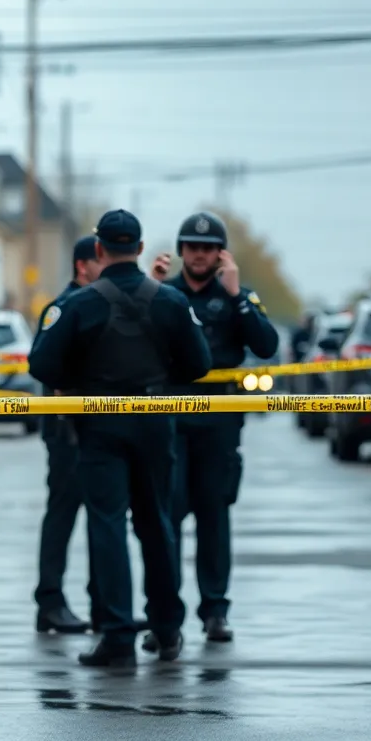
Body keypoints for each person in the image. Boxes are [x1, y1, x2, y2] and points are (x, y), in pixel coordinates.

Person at [28, 210, 212, 667]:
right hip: (155, 421)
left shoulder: (79, 305)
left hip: (100, 424)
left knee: (106, 524)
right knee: (157, 524)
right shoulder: (169, 301)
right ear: (141, 248)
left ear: (98, 250)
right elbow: (200, 364)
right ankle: (167, 628)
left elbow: (42, 366)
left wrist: (80, 375)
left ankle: (116, 634)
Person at [144, 211, 279, 648]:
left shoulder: (237, 294)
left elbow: (266, 345)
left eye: (208, 248)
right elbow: (139, 339)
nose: (199, 255)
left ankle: (215, 611)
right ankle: (164, 617)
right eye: (192, 247)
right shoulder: (164, 293)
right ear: (181, 251)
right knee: (166, 519)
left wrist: (238, 295)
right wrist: (151, 287)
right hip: (171, 421)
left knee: (214, 517)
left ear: (221, 253)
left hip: (219, 426)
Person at [32, 235, 100, 635]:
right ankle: (50, 601)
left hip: (92, 428)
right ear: (82, 267)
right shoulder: (62, 308)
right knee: (63, 513)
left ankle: (104, 602)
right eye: (99, 260)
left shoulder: (95, 304)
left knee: (99, 516)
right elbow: (43, 364)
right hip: (66, 430)